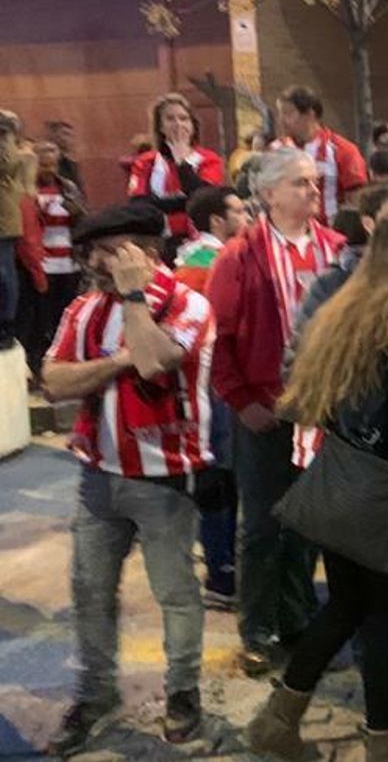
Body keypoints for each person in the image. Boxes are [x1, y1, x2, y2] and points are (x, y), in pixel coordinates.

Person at [245, 207, 388, 762]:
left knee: (346, 607)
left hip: (344, 472)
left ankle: (277, 724)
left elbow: (312, 388)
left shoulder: (353, 301)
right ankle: (386, 750)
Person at [41, 204, 215, 754]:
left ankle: (183, 693)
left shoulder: (187, 302)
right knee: (90, 592)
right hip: (97, 473)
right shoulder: (85, 308)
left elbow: (156, 362)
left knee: (176, 594)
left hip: (163, 476)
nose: (95, 260)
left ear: (146, 253)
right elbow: (54, 381)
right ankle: (95, 694)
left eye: (109, 250)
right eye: (94, 251)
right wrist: (116, 360)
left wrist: (136, 300)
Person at [208, 147, 347, 676]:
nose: (312, 191)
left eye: (315, 182)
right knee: (264, 524)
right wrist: (241, 401)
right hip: (265, 411)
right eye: (300, 184)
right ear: (268, 195)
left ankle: (298, 621)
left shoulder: (336, 249)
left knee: (310, 522)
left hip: (325, 411)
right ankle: (258, 630)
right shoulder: (239, 256)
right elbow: (217, 339)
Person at [173, 185, 255, 610]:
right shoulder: (210, 263)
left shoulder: (192, 259)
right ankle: (222, 574)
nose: (247, 218)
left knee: (221, 481)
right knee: (221, 481)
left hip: (210, 389)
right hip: (216, 389)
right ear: (217, 221)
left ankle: (222, 570)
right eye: (239, 211)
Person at [127, 93, 227, 253]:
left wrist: (181, 162)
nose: (178, 124)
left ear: (192, 124)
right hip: (158, 241)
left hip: (200, 242)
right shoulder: (145, 162)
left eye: (183, 118)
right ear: (160, 126)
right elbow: (138, 205)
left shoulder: (209, 159)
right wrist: (182, 202)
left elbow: (203, 200)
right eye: (170, 119)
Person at [20, 139, 86, 377]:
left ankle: (63, 361)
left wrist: (76, 212)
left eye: (53, 165)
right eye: (43, 165)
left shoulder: (68, 187)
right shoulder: (26, 188)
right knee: (39, 320)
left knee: (64, 316)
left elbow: (83, 221)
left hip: (68, 264)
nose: (49, 170)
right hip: (40, 265)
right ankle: (38, 365)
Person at [272, 85, 369, 223]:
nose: (281, 120)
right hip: (286, 236)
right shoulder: (275, 151)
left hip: (331, 236)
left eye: (288, 113)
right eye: (280, 113)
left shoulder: (343, 151)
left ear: (310, 115)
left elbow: (357, 201)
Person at [0, 109, 27, 351]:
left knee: (5, 276)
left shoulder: (12, 148)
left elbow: (6, 165)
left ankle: (6, 324)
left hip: (3, 223)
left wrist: (5, 134)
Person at [45, 119, 88, 199]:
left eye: (71, 136)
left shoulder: (72, 164)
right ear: (54, 135)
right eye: (65, 134)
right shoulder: (46, 162)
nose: (69, 139)